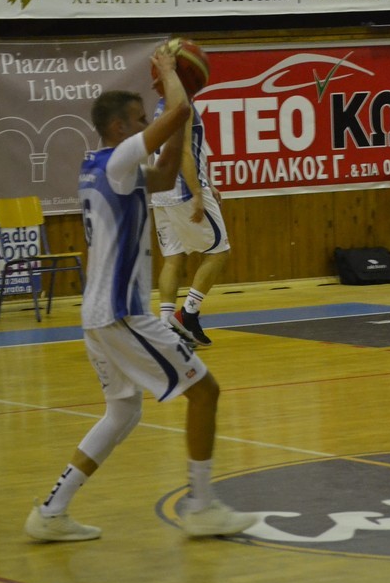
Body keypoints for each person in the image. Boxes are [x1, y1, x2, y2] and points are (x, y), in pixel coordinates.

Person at [24, 48, 257, 542]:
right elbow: (178, 111)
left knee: (123, 413)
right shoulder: (118, 159)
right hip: (122, 314)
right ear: (117, 127)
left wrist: (178, 123)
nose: (147, 123)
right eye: (138, 119)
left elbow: (167, 174)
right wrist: (172, 76)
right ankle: (201, 506)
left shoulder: (102, 166)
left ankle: (50, 512)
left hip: (97, 315)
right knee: (205, 392)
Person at [150, 43, 228, 348]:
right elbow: (184, 153)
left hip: (160, 193)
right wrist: (197, 192)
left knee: (173, 258)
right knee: (219, 251)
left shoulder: (161, 105)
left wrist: (208, 181)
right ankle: (189, 315)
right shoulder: (181, 107)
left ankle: (164, 325)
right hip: (183, 190)